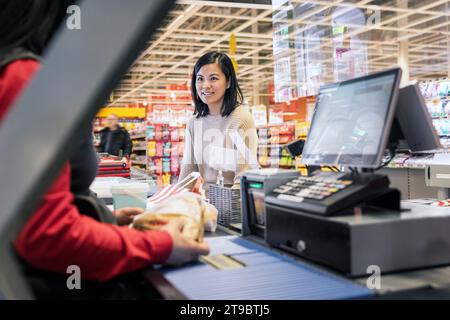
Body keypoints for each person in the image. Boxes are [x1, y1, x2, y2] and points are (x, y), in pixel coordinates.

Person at [0, 0, 208, 298]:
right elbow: (49, 237)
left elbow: (34, 211)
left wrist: (103, 219)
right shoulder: (25, 77)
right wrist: (162, 246)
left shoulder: (16, 69)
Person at [179, 51, 258, 193]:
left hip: (235, 206)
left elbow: (244, 177)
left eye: (213, 78)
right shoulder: (194, 123)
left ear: (228, 82)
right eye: (200, 78)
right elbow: (187, 176)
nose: (205, 85)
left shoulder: (241, 119)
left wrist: (223, 208)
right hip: (209, 204)